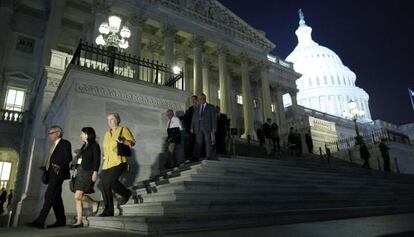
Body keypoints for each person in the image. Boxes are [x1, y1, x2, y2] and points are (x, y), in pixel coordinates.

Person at [28, 125, 72, 228]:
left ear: (58, 133)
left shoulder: (64, 143)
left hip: (58, 173)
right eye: (49, 133)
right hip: (51, 173)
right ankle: (61, 221)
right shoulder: (53, 145)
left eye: (51, 133)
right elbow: (52, 160)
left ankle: (40, 221)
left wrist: (59, 166)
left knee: (49, 195)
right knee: (56, 198)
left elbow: (68, 158)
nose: (50, 135)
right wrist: (46, 168)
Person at [100, 113, 136, 217]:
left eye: (112, 119)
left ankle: (123, 196)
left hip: (119, 160)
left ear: (117, 120)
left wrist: (123, 140)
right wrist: (104, 156)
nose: (110, 121)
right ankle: (108, 210)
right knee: (103, 185)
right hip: (107, 163)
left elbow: (132, 142)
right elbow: (105, 148)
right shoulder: (107, 133)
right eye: (108, 120)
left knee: (109, 181)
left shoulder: (123, 129)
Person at [71, 127, 101, 228]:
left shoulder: (94, 146)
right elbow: (80, 159)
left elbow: (97, 160)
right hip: (79, 172)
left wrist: (95, 172)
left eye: (82, 133)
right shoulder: (84, 146)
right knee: (77, 198)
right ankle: (79, 221)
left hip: (88, 173)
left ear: (87, 134)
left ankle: (94, 203)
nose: (81, 135)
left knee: (78, 196)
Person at [191, 94, 217, 160]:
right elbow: (194, 118)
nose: (199, 100)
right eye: (198, 99)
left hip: (207, 127)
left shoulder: (211, 107)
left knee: (208, 142)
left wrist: (214, 127)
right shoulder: (197, 107)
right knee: (198, 142)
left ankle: (209, 156)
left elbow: (214, 118)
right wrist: (191, 127)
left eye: (200, 99)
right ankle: (196, 156)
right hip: (198, 127)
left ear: (204, 98)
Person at [184, 95, 198, 161]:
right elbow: (186, 118)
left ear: (196, 100)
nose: (192, 101)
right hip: (191, 129)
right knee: (191, 142)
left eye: (194, 99)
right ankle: (191, 156)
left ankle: (197, 155)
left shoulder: (200, 108)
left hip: (198, 129)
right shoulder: (190, 109)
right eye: (192, 100)